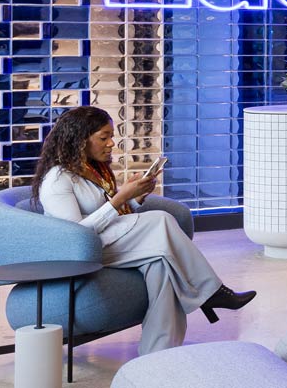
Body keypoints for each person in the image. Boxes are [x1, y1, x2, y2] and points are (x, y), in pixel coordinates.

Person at [32, 106, 255, 356]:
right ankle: (211, 291)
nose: (111, 143)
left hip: (109, 241)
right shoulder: (57, 179)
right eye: (103, 137)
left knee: (160, 265)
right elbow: (75, 236)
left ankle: (158, 354)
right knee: (160, 219)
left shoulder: (91, 169)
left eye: (111, 136)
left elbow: (107, 214)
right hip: (81, 253)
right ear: (80, 139)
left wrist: (134, 198)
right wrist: (118, 200)